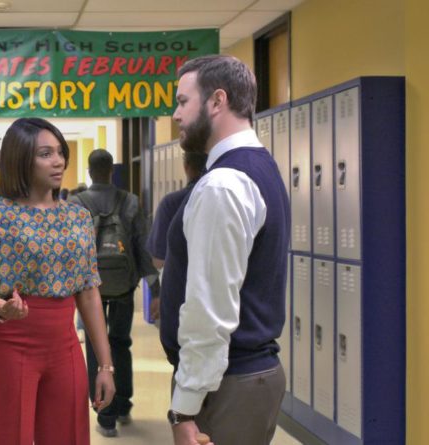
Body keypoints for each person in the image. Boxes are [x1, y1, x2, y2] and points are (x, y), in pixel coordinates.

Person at [162, 55, 289, 445]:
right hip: (243, 376)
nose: (176, 114)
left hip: (227, 384)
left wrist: (183, 409)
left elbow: (210, 310)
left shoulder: (223, 185)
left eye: (183, 101)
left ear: (217, 101)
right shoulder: (258, 167)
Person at [0, 117, 116, 445]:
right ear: (20, 159)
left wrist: (105, 365)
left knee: (68, 436)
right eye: (45, 153)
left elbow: (89, 293)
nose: (58, 160)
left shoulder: (77, 217)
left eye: (60, 152)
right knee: (6, 436)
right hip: (9, 346)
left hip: (64, 348)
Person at [69, 149, 158, 438]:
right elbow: (143, 249)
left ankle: (104, 415)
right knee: (121, 343)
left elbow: (70, 251)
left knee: (96, 345)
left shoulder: (75, 203)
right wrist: (154, 289)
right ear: (111, 171)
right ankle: (122, 404)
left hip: (89, 287)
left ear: (89, 171)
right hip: (122, 286)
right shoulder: (130, 202)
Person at [146, 150, 207, 321]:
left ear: (186, 167)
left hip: (180, 294)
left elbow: (157, 260)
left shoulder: (171, 203)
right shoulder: (225, 198)